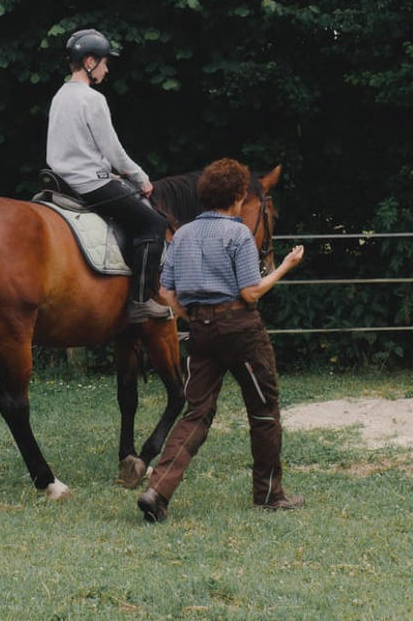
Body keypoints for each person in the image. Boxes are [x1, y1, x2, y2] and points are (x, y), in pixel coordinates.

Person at [137, 157, 306, 523]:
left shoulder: (182, 234)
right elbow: (250, 292)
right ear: (238, 195)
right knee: (263, 411)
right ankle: (269, 494)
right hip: (241, 331)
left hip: (202, 333)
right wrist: (286, 266)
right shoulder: (237, 234)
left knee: (196, 413)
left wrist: (192, 316)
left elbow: (165, 292)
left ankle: (157, 490)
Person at [46, 28, 171, 323]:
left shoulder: (59, 96)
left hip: (60, 180)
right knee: (154, 223)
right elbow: (114, 151)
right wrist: (141, 178)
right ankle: (140, 301)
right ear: (90, 62)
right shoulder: (92, 99)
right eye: (104, 61)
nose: (107, 67)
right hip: (90, 184)